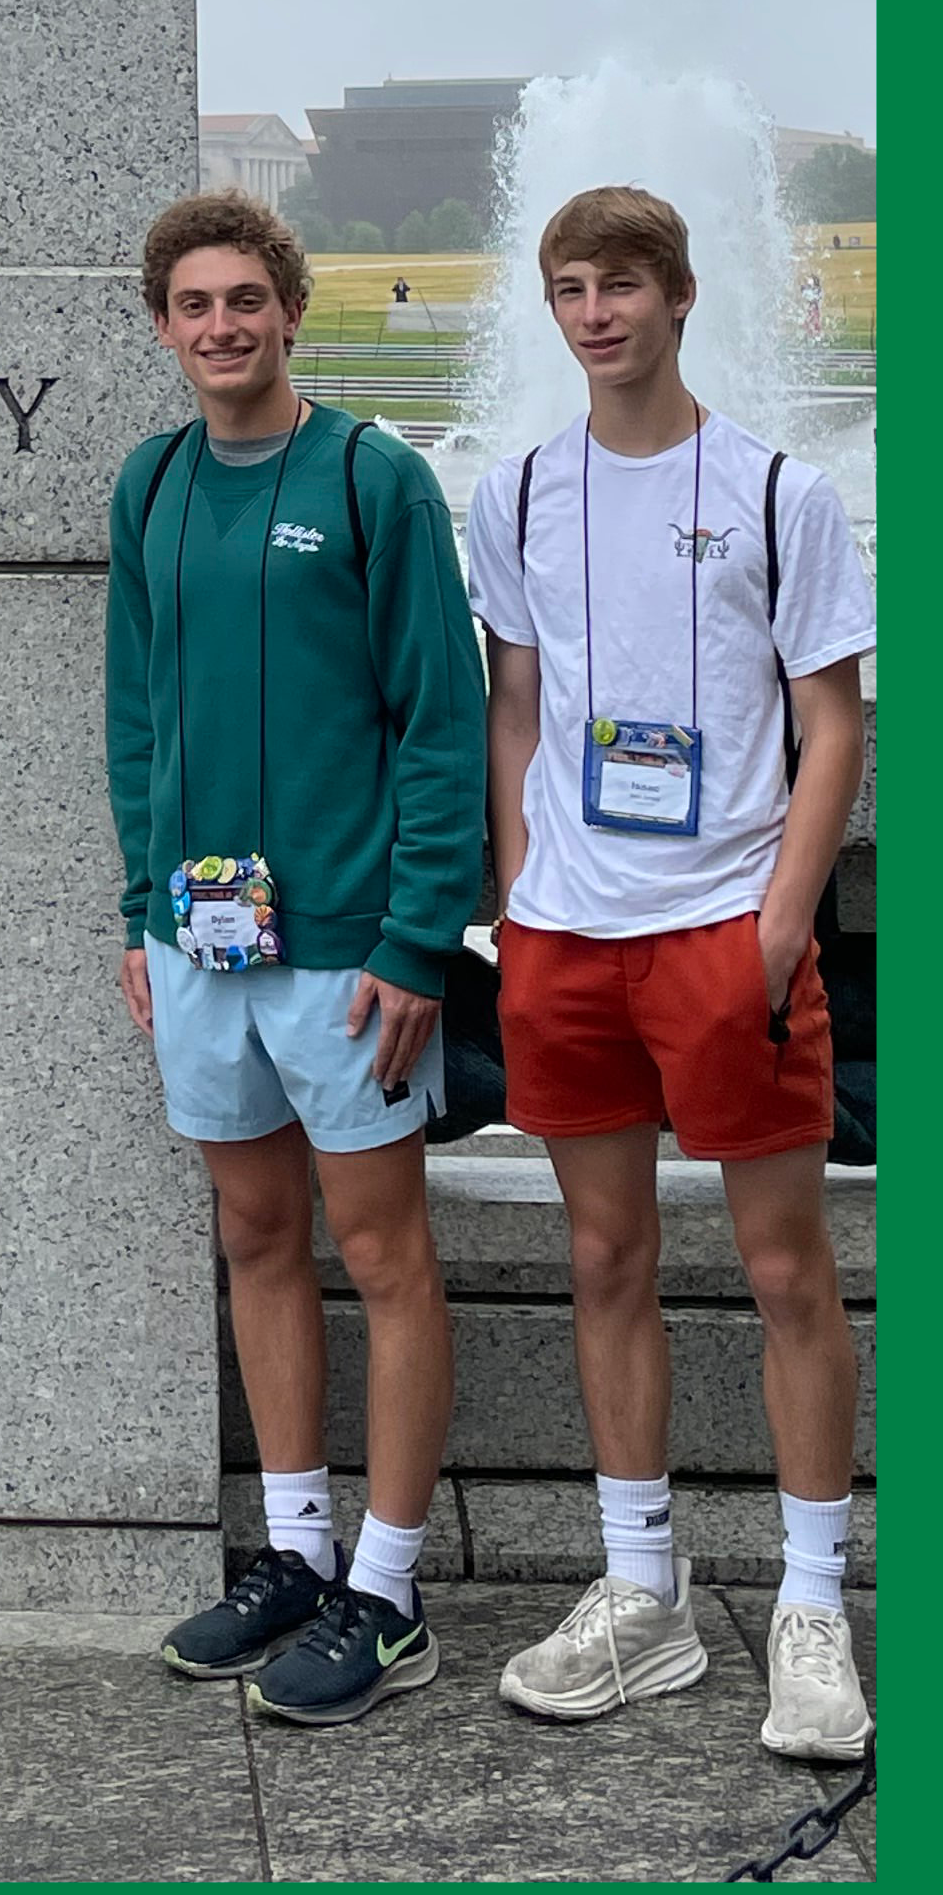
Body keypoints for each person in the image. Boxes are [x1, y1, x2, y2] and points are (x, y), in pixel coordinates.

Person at [471, 184, 873, 1760]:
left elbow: (834, 721)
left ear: (680, 297)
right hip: (569, 935)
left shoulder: (783, 492)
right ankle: (641, 1594)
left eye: (620, 283)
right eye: (568, 286)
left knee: (784, 1273)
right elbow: (515, 701)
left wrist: (779, 925)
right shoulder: (512, 492)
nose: (594, 312)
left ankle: (809, 1608)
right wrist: (517, 894)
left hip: (725, 929)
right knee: (603, 1261)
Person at [107, 193, 483, 1724]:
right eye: (193, 305)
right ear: (160, 328)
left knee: (383, 1255)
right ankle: (295, 1551)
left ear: (289, 309)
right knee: (256, 1239)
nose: (221, 327)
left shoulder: (373, 479)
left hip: (346, 952)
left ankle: (386, 1591)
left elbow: (440, 724)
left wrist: (414, 939)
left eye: (245, 299)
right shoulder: (149, 486)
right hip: (198, 942)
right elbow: (136, 718)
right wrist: (139, 907)